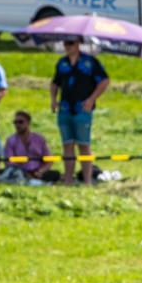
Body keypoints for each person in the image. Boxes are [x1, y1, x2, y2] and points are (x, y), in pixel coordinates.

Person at [50, 35, 108, 185]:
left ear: (77, 44)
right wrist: (53, 99)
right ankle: (68, 180)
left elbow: (104, 80)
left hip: (82, 109)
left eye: (70, 43)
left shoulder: (90, 62)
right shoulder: (62, 63)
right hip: (64, 109)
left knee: (84, 145)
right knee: (67, 145)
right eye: (65, 43)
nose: (67, 46)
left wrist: (92, 99)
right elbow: (55, 82)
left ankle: (87, 181)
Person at [3, 109, 57, 183]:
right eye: (15, 122)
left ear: (28, 123)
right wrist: (26, 173)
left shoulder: (39, 138)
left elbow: (49, 159)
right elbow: (9, 161)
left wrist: (41, 171)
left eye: (20, 122)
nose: (17, 125)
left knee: (55, 174)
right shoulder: (10, 140)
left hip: (38, 171)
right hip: (20, 171)